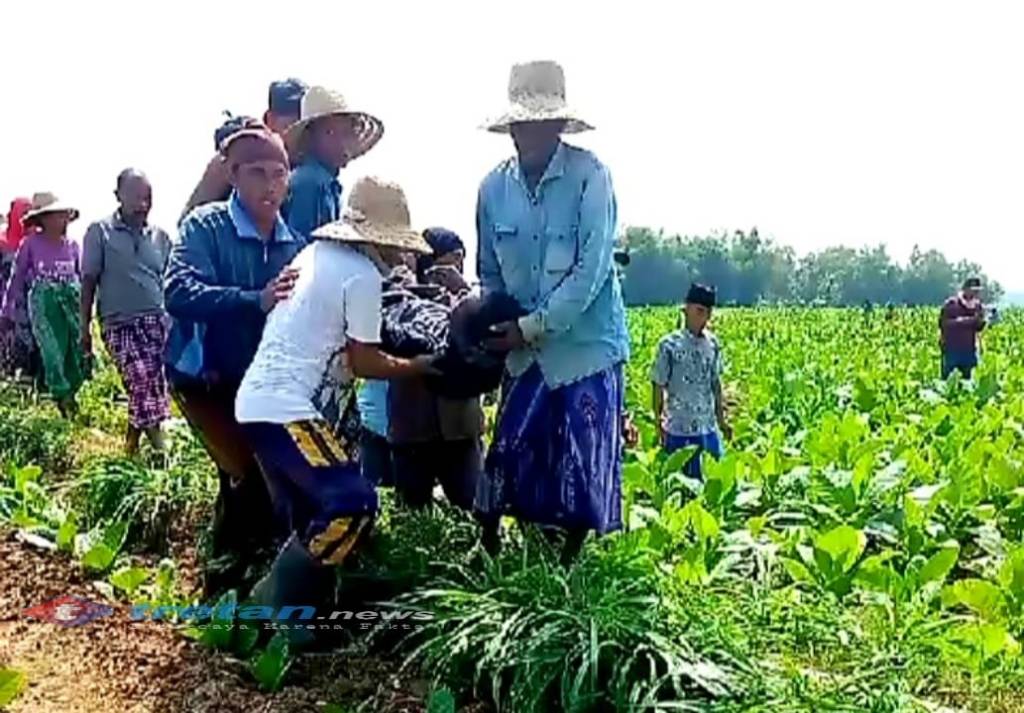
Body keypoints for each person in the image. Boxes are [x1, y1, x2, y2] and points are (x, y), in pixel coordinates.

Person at [234, 177, 436, 645]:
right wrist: (418, 367)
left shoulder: (312, 256)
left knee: (310, 511)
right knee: (353, 503)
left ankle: (293, 621)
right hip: (287, 406)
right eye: (394, 244)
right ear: (378, 239)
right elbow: (364, 361)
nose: (397, 254)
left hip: (259, 404)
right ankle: (273, 601)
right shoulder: (361, 275)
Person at [474, 60, 630, 565]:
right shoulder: (492, 190)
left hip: (585, 347)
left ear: (560, 125)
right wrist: (497, 323)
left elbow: (591, 269)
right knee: (512, 457)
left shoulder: (591, 177)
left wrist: (531, 327)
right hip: (523, 353)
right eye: (523, 124)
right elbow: (489, 272)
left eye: (542, 124)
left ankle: (570, 567)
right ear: (511, 128)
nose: (530, 134)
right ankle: (506, 555)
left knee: (581, 469)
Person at [164, 128, 305, 590]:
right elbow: (178, 292)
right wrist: (254, 299)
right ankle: (222, 587)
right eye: (257, 173)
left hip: (258, 383)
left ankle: (240, 584)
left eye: (279, 174)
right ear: (233, 175)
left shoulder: (293, 245)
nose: (270, 185)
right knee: (243, 474)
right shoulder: (204, 227)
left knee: (259, 482)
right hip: (203, 378)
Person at [383, 230, 485, 512]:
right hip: (411, 427)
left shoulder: (466, 301)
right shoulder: (400, 298)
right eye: (452, 260)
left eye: (461, 261)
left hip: (461, 429)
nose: (457, 268)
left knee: (476, 510)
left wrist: (462, 290)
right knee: (411, 515)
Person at [80, 169, 172, 455]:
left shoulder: (161, 237)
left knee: (149, 386)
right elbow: (88, 281)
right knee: (140, 380)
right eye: (135, 197)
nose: (142, 205)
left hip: (156, 321)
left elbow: (170, 282)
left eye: (147, 198)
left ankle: (130, 446)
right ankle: (161, 449)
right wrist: (84, 328)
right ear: (118, 196)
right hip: (119, 323)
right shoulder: (100, 232)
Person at [0, 193, 88, 417]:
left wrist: (86, 312)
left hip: (70, 306)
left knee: (73, 353)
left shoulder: (72, 246)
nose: (63, 220)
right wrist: (7, 310)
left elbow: (81, 278)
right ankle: (62, 397)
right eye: (58, 216)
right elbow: (17, 278)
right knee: (51, 352)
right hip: (44, 306)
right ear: (44, 219)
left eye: (65, 216)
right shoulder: (31, 244)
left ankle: (70, 395)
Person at [180, 78, 308, 221]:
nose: (301, 135)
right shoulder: (237, 154)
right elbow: (189, 217)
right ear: (270, 119)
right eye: (293, 123)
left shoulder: (303, 169)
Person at [281, 85, 384, 238]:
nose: (341, 142)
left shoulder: (328, 183)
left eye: (346, 133)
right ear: (310, 137)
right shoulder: (311, 182)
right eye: (330, 133)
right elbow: (304, 245)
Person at [651, 283, 731, 478]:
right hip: (679, 429)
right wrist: (658, 421)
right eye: (699, 311)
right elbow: (658, 384)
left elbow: (716, 383)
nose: (704, 319)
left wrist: (722, 420)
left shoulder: (712, 344)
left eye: (708, 313)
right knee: (682, 483)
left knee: (713, 481)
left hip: (707, 428)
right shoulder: (669, 345)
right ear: (686, 309)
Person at [0, 197, 35, 378]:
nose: (24, 219)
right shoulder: (2, 243)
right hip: (6, 306)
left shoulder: (35, 243)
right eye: (22, 213)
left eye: (28, 213)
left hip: (31, 307)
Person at [939, 277, 986, 379]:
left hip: (969, 351)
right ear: (965, 289)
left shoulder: (977, 306)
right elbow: (944, 324)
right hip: (952, 350)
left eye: (977, 291)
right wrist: (967, 321)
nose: (975, 293)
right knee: (948, 380)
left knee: (968, 381)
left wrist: (981, 321)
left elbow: (978, 328)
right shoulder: (952, 304)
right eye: (973, 290)